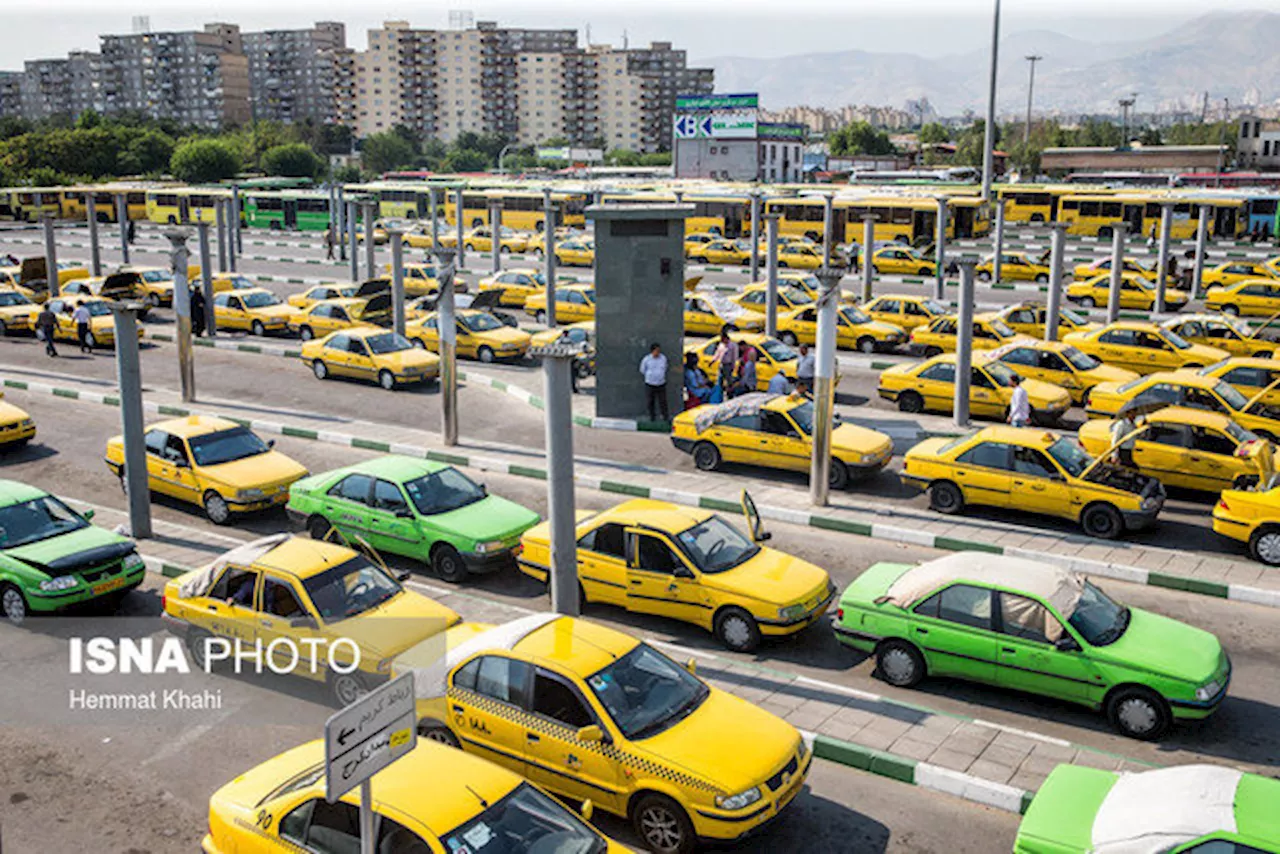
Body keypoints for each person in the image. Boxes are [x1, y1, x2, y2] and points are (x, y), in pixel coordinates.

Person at [639, 342, 670, 422]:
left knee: (663, 401)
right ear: (652, 351)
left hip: (661, 383)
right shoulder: (647, 359)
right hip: (650, 383)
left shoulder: (663, 358)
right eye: (656, 351)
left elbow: (665, 367)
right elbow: (642, 370)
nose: (658, 352)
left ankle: (665, 416)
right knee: (650, 401)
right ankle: (652, 417)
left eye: (659, 351)